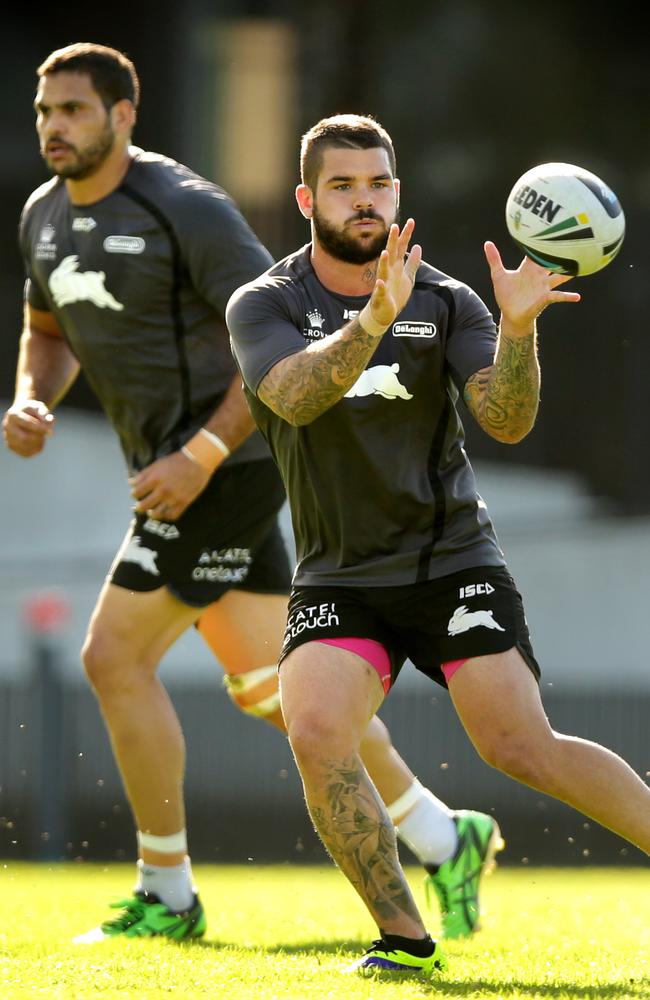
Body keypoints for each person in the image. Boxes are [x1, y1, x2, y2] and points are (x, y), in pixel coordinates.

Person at [3, 45, 501, 945]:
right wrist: (32, 393)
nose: (52, 128)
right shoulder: (42, 215)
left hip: (221, 473)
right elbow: (47, 326)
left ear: (124, 115)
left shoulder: (185, 208)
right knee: (273, 685)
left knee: (112, 658)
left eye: (72, 110)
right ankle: (443, 833)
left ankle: (168, 891)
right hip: (166, 473)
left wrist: (197, 454)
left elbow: (273, 340)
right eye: (44, 112)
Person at [226, 113, 650, 977]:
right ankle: (406, 940)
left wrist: (521, 329)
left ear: (396, 191)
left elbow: (508, 418)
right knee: (313, 729)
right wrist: (369, 322)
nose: (364, 199)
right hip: (340, 575)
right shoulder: (264, 302)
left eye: (378, 182)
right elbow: (296, 397)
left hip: (452, 560)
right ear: (308, 198)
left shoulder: (449, 299)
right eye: (342, 185)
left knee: (521, 748)